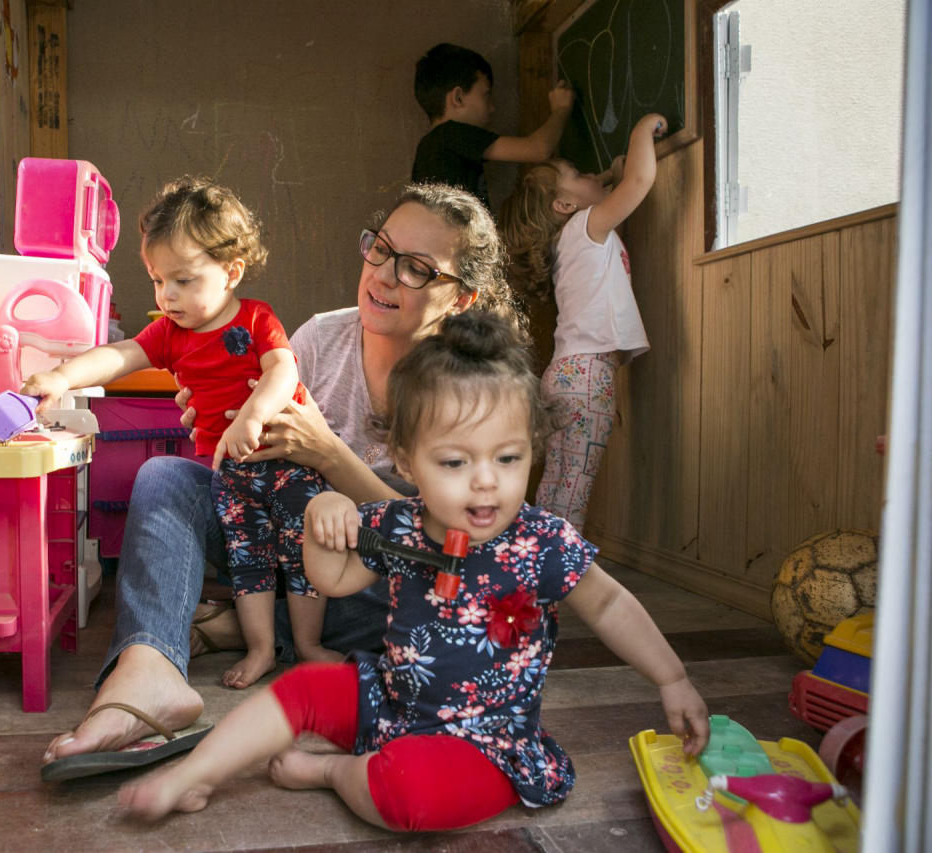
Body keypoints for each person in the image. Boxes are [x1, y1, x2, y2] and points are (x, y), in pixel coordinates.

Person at [118, 310, 710, 831]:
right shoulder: (399, 523)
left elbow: (608, 604)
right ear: (406, 459)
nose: (486, 480)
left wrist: (671, 678)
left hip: (486, 745)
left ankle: (335, 773)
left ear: (532, 445)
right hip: (391, 701)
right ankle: (192, 776)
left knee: (413, 798)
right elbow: (334, 581)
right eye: (454, 461)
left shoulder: (542, 540)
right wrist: (325, 517)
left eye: (509, 458)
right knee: (300, 687)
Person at [40, 183, 514, 781]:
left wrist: (330, 455)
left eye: (417, 268)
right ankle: (150, 667)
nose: (386, 276)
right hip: (283, 545)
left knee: (456, 606)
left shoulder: (473, 391)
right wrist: (219, 417)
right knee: (165, 477)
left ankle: (241, 622)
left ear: (461, 298)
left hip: (374, 581)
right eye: (381, 249)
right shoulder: (320, 337)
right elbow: (244, 430)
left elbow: (458, 543)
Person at [22, 176, 341, 692]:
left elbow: (284, 373)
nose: (167, 295)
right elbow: (119, 356)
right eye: (156, 280)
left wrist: (251, 417)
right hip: (233, 477)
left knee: (305, 554)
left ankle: (307, 646)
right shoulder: (171, 334)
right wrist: (61, 377)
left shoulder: (257, 319)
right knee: (248, 561)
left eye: (184, 280)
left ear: (231, 271)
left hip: (288, 467)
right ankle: (261, 647)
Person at [499, 113, 667, 530]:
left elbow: (604, 187)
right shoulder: (584, 226)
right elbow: (638, 183)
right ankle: (563, 577)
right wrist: (641, 127)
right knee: (574, 487)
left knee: (557, 484)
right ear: (564, 206)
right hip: (589, 376)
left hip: (566, 374)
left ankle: (537, 568)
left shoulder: (568, 236)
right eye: (576, 173)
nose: (590, 173)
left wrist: (606, 174)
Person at [411, 43, 574, 208]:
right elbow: (538, 149)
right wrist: (561, 109)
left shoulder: (432, 148)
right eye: (486, 95)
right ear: (458, 98)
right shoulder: (450, 134)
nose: (492, 108)